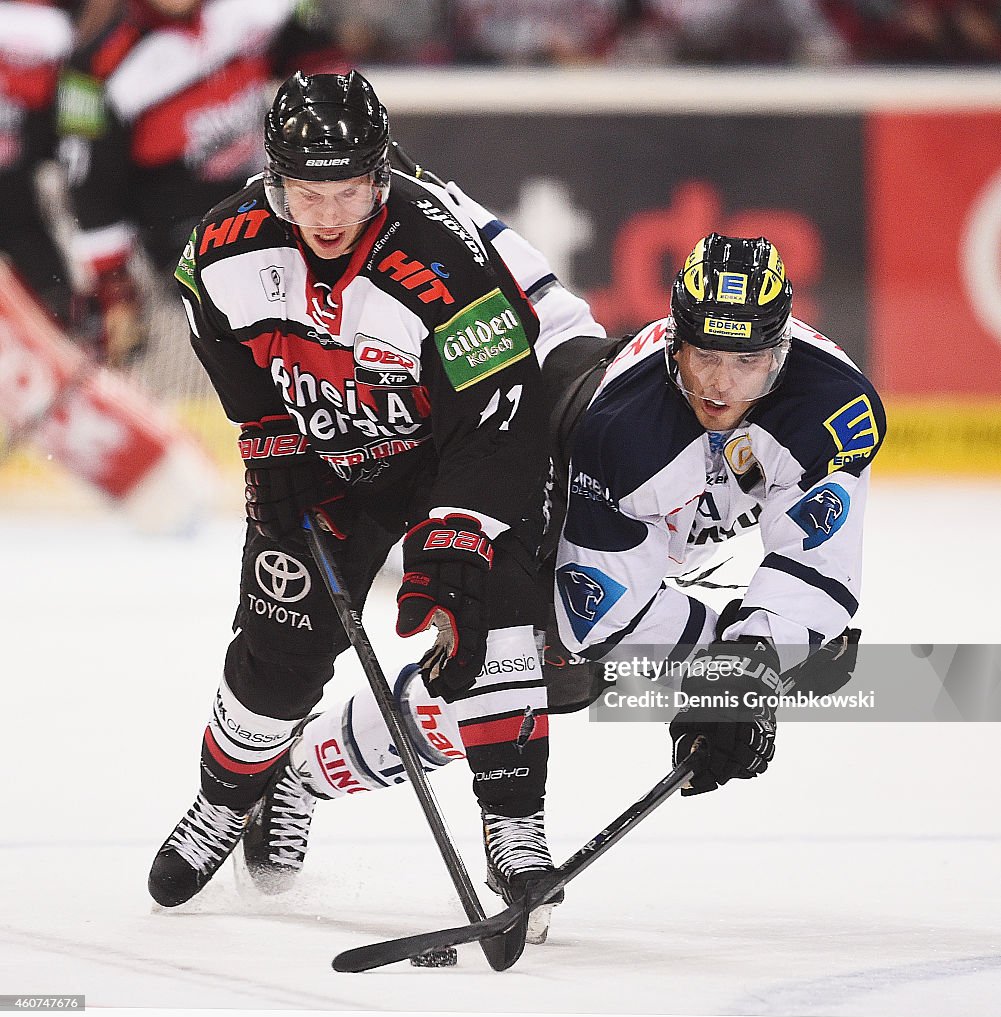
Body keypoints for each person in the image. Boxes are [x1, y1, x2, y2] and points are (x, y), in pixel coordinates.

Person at [147, 69, 605, 943]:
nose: (326, 215)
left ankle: (513, 830)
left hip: (453, 448)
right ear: (274, 177)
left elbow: (499, 417)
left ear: (382, 174)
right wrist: (269, 437)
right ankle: (223, 801)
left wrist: (460, 539)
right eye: (307, 192)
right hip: (327, 451)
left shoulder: (439, 260)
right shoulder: (224, 247)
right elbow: (210, 320)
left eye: (349, 190)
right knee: (281, 638)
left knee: (491, 615)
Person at [553, 232, 884, 795]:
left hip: (674, 530)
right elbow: (594, 618)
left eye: (747, 358)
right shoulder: (624, 429)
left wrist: (755, 649)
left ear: (781, 351)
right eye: (705, 353)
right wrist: (732, 669)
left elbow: (818, 565)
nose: (720, 383)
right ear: (675, 344)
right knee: (522, 674)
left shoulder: (829, 405)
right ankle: (348, 762)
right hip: (547, 496)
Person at [56, 0, 340, 365]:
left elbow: (318, 51)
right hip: (188, 240)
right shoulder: (92, 72)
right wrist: (115, 287)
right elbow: (89, 187)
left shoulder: (249, 13)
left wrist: (326, 120)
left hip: (277, 203)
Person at [0, 0, 75, 322]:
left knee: (26, 225)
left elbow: (57, 91)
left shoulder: (41, 24)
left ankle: (62, 303)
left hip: (32, 150)